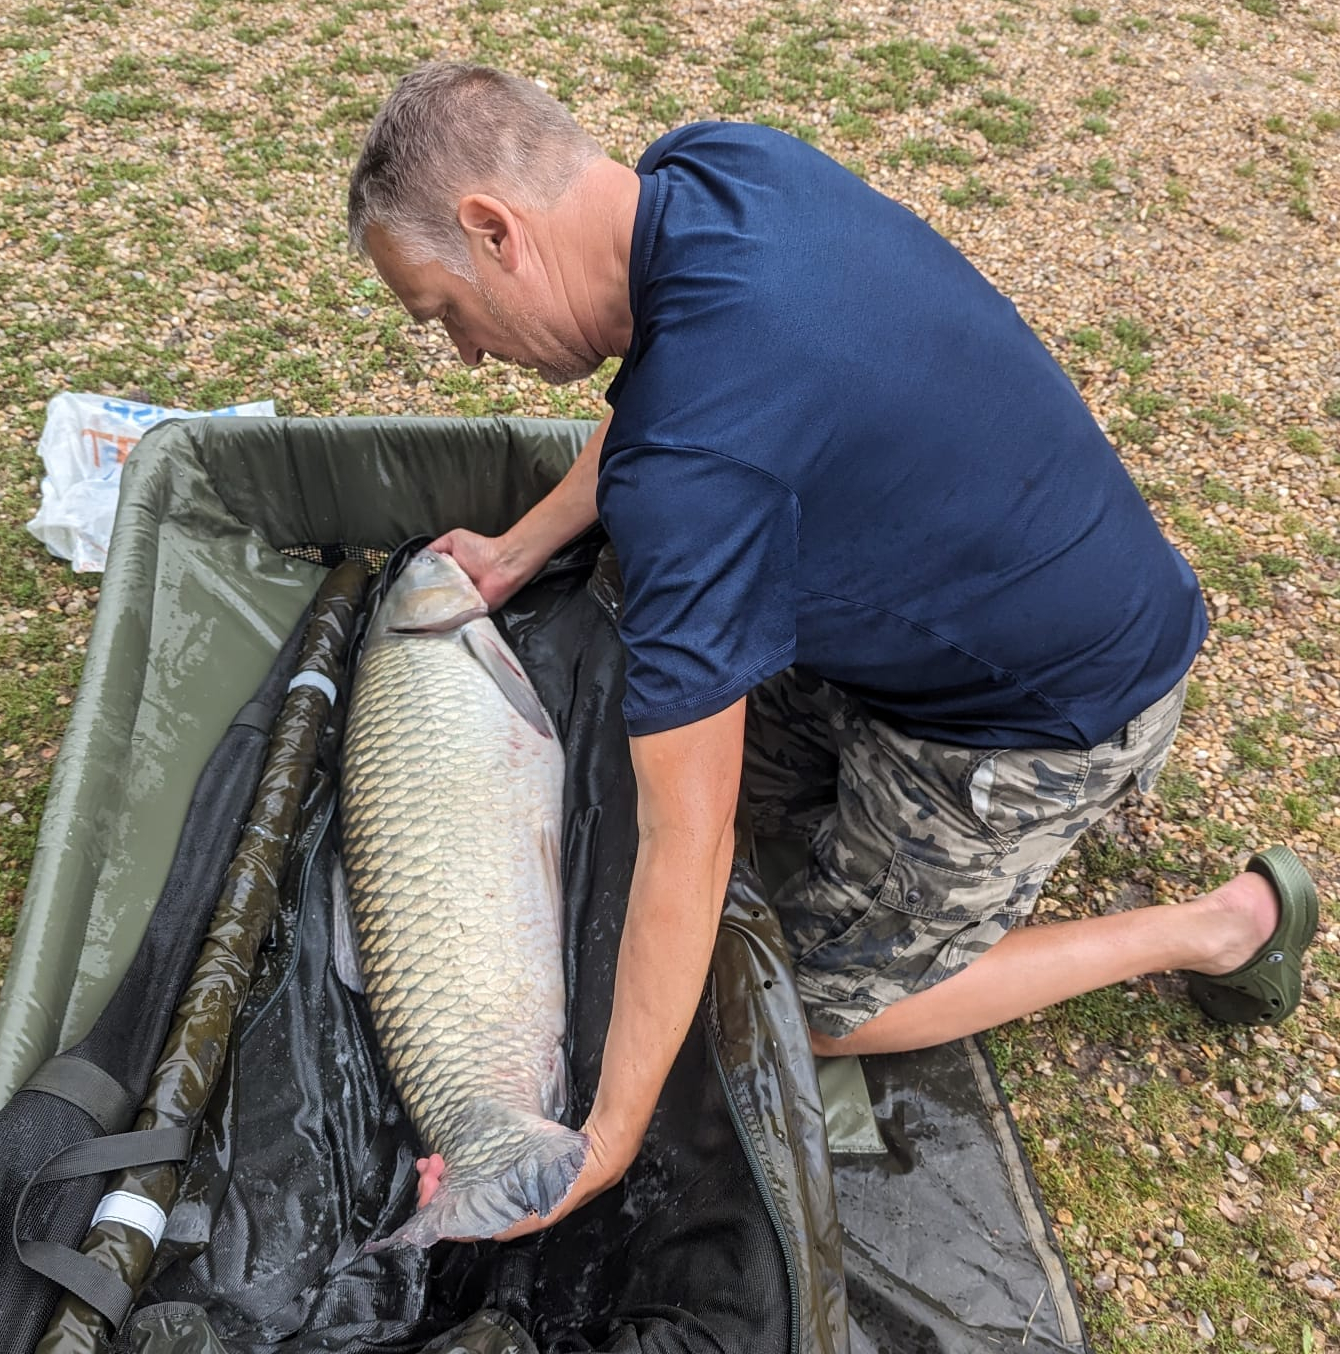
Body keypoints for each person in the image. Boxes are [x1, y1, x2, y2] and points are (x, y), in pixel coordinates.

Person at [346, 61, 1320, 1239]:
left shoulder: (692, 477)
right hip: (1025, 582)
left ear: (495, 232)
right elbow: (676, 403)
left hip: (1048, 712)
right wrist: (518, 549)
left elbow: (689, 840)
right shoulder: (713, 166)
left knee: (809, 1005)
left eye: (443, 311)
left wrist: (604, 1140)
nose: (462, 354)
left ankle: (1214, 928)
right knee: (646, 676)